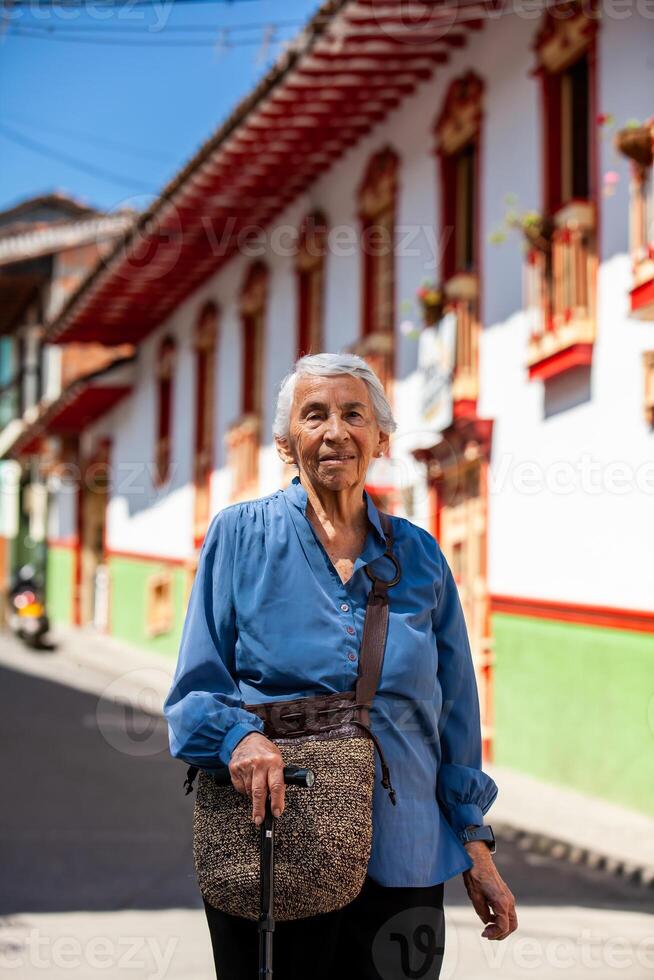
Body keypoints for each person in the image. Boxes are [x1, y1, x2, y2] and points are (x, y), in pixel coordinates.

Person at [163, 352, 518, 979]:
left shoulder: (421, 555)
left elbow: (454, 709)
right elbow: (193, 697)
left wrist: (474, 841)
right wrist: (238, 737)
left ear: (380, 438)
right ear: (284, 442)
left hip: (405, 847)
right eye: (314, 415)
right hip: (279, 843)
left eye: (354, 414)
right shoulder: (240, 537)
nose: (335, 431)